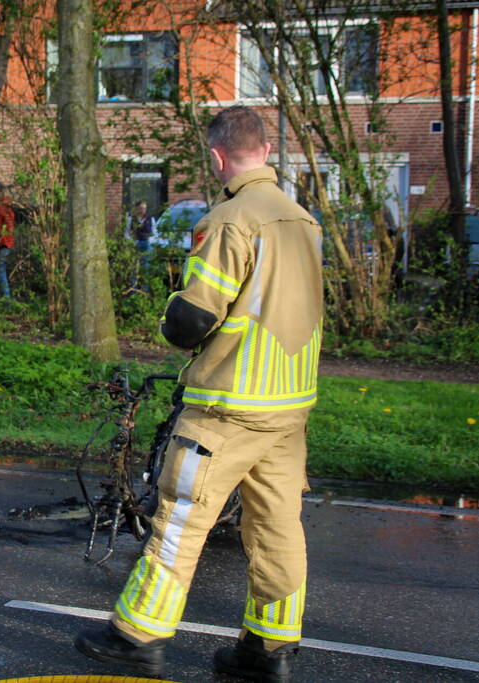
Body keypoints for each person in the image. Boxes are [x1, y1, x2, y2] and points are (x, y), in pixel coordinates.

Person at [74, 106, 324, 683]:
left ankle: (137, 636)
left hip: (227, 406)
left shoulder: (231, 219)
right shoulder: (303, 221)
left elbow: (191, 320)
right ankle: (267, 650)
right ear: (264, 149)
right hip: (289, 408)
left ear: (217, 157)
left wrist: (168, 311)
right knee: (278, 524)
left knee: (181, 516)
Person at [128, 200, 154, 287]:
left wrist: (150, 241)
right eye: (141, 208)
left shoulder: (150, 219)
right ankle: (134, 288)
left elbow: (154, 232)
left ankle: (144, 289)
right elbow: (127, 233)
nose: (143, 210)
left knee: (145, 267)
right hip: (135, 243)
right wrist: (132, 241)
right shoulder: (132, 219)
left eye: (144, 208)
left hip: (146, 244)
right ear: (137, 209)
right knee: (134, 267)